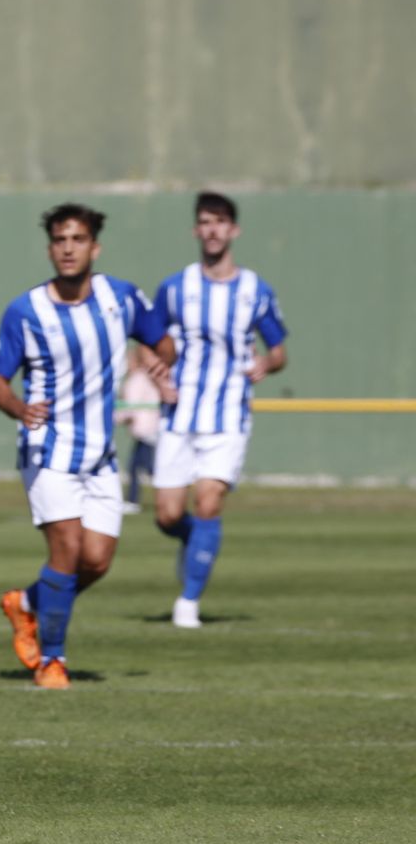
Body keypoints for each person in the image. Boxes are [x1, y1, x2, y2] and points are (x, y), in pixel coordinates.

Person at [0, 203, 173, 689]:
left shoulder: (122, 298)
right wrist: (17, 408)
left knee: (97, 561)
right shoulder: (26, 310)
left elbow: (162, 339)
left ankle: (26, 603)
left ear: (95, 246)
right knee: (67, 550)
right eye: (60, 240)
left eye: (77, 239)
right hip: (47, 449)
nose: (68, 248)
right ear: (50, 247)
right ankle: (53, 661)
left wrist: (160, 359)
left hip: (100, 455)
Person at [151, 192, 287, 629]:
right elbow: (153, 342)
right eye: (205, 222)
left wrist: (266, 363)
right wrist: (157, 373)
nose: (212, 230)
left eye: (221, 221)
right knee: (168, 515)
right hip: (179, 413)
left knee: (208, 501)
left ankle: (187, 602)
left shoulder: (254, 290)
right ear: (196, 230)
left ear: (234, 230)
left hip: (228, 415)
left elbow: (279, 349)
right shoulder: (175, 288)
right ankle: (194, 544)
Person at [117, 347, 161, 514]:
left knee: (142, 468)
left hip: (146, 430)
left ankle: (134, 501)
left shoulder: (137, 379)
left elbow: (130, 407)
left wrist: (116, 417)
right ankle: (135, 500)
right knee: (142, 467)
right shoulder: (146, 378)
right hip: (149, 429)